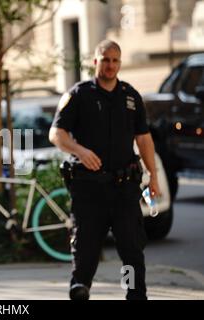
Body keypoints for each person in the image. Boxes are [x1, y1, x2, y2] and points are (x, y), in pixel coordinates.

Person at [49, 40, 160, 300]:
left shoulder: (131, 96)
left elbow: (143, 139)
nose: (110, 65)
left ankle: (133, 296)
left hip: (124, 189)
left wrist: (153, 177)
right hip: (90, 191)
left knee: (131, 252)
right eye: (105, 59)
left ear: (120, 63)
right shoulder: (79, 95)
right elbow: (56, 133)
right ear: (95, 61)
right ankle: (80, 294)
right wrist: (80, 151)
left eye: (115, 60)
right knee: (85, 253)